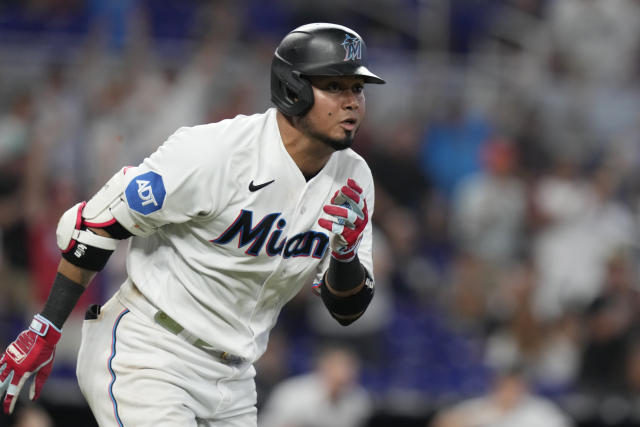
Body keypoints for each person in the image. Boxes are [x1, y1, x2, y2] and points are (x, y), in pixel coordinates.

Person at [0, 22, 384, 426]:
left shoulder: (354, 178)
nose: (352, 101)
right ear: (294, 89)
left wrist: (344, 254)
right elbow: (96, 224)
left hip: (235, 378)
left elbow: (346, 308)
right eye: (335, 86)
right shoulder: (215, 152)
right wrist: (45, 329)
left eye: (357, 88)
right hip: (151, 352)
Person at [258, 345, 372, 427]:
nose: (346, 372)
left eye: (349, 366)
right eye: (339, 366)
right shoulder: (292, 392)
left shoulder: (359, 399)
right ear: (324, 367)